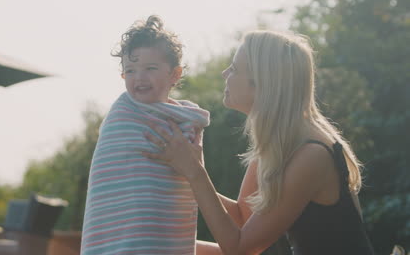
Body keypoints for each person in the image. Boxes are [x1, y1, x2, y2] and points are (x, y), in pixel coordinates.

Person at [143, 30, 375, 255]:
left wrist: (194, 172)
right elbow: (244, 217)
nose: (225, 73)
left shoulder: (311, 155)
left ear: (261, 83)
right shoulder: (278, 145)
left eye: (234, 68)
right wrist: (185, 175)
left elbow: (241, 247)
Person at [80, 15, 210, 255]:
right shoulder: (121, 115)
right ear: (123, 77)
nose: (139, 77)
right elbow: (109, 183)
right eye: (130, 70)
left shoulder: (186, 123)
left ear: (174, 74)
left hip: (158, 237)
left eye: (150, 68)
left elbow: (192, 173)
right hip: (119, 243)